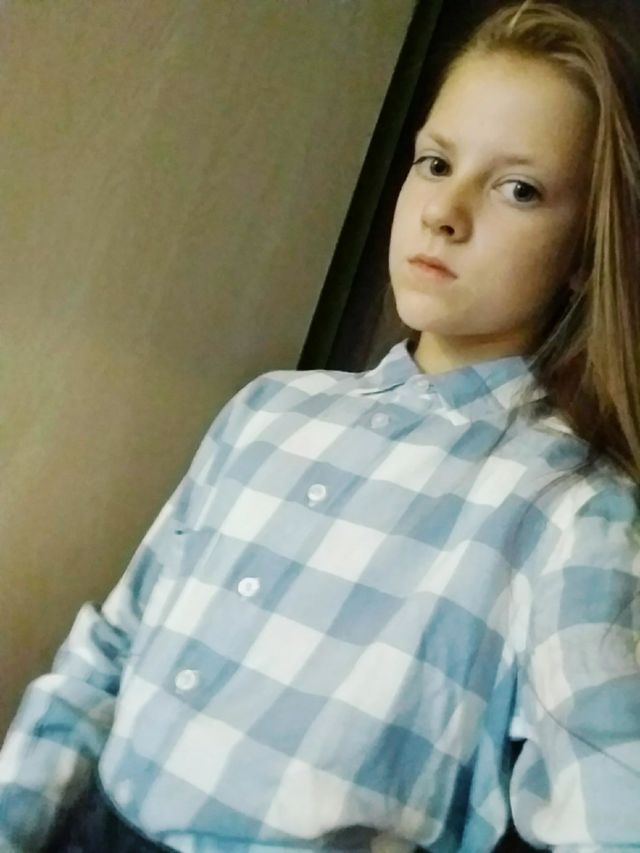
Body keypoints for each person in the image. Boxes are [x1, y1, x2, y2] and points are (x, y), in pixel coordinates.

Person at [1, 0, 640, 849]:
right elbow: (111, 649)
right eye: (435, 162)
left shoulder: (575, 510)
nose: (445, 212)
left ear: (584, 255)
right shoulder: (268, 410)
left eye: (518, 188)